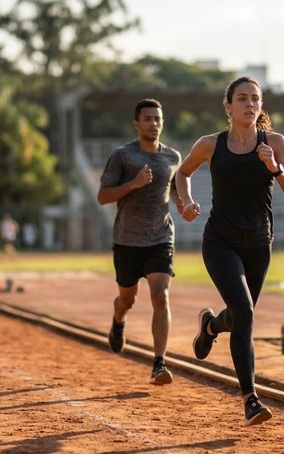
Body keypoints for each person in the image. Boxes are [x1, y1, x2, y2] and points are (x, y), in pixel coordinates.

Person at [175, 77, 284, 426]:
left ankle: (210, 327)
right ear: (228, 106)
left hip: (259, 244)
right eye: (242, 99)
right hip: (220, 241)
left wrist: (275, 169)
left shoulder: (274, 143)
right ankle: (251, 399)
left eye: (255, 99)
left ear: (261, 106)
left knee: (237, 317)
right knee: (245, 312)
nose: (250, 104)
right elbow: (183, 173)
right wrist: (186, 201)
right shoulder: (210, 144)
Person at [97, 98, 182, 386]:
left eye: (157, 119)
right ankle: (118, 320)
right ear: (136, 123)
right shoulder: (122, 156)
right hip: (127, 240)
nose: (153, 124)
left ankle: (159, 363)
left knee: (161, 296)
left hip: (160, 237)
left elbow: (174, 189)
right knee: (127, 299)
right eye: (147, 119)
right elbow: (103, 196)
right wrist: (133, 184)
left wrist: (183, 204)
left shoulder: (172, 157)